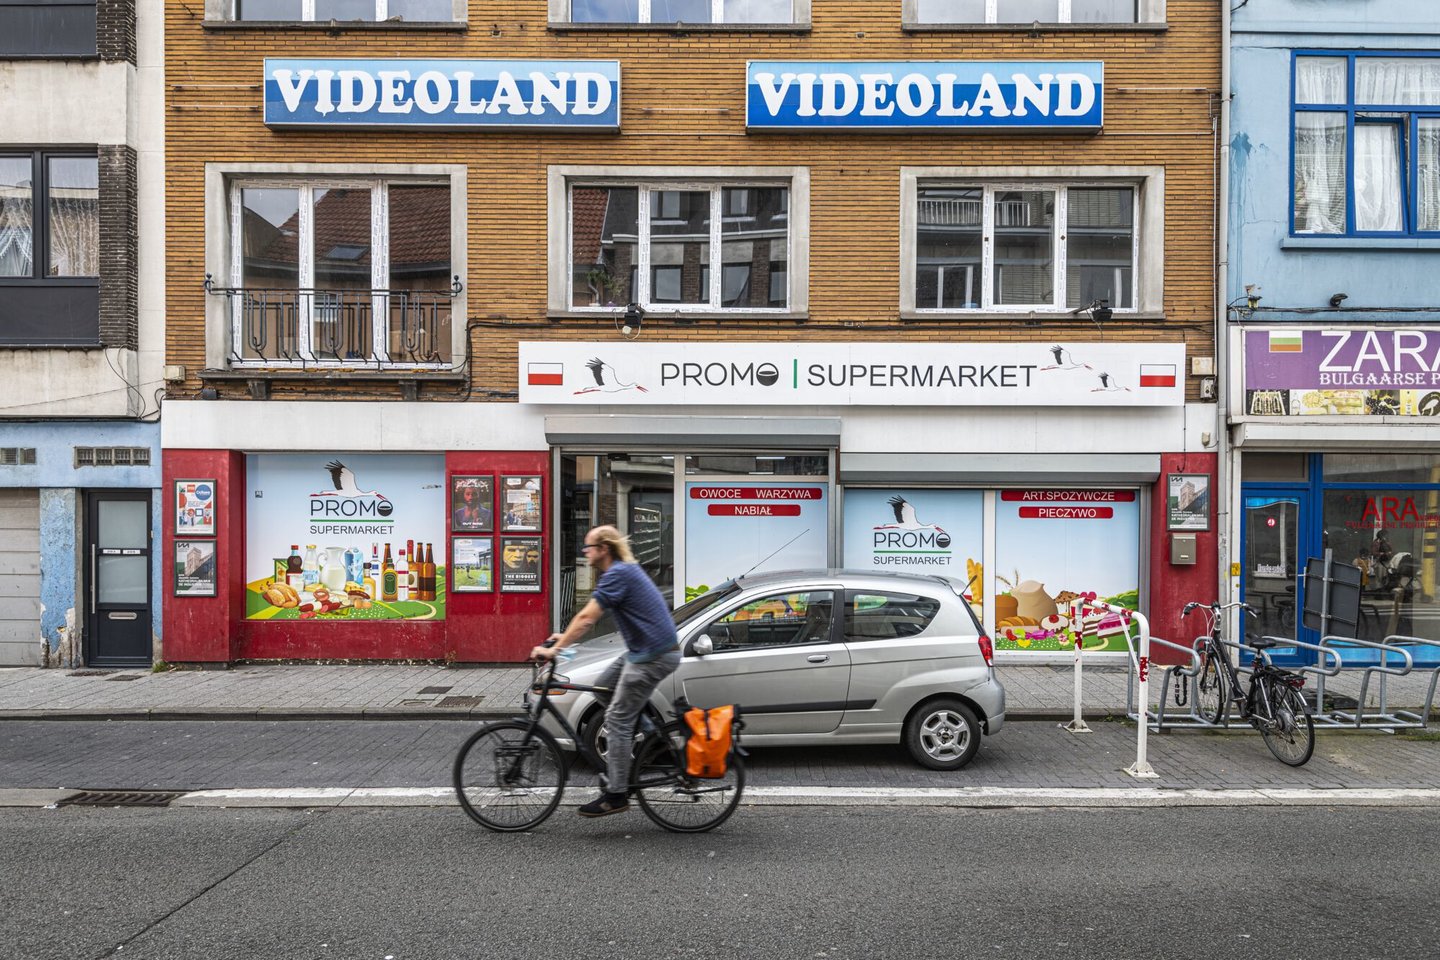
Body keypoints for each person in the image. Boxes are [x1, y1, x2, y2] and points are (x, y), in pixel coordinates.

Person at [531, 525, 679, 818]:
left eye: (588, 547)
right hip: (644, 651)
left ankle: (616, 794)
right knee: (604, 686)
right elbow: (584, 617)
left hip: (654, 656)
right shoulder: (622, 571)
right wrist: (561, 638)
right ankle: (651, 736)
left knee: (617, 718)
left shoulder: (618, 574)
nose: (584, 553)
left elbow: (587, 618)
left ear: (603, 549)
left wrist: (553, 650)